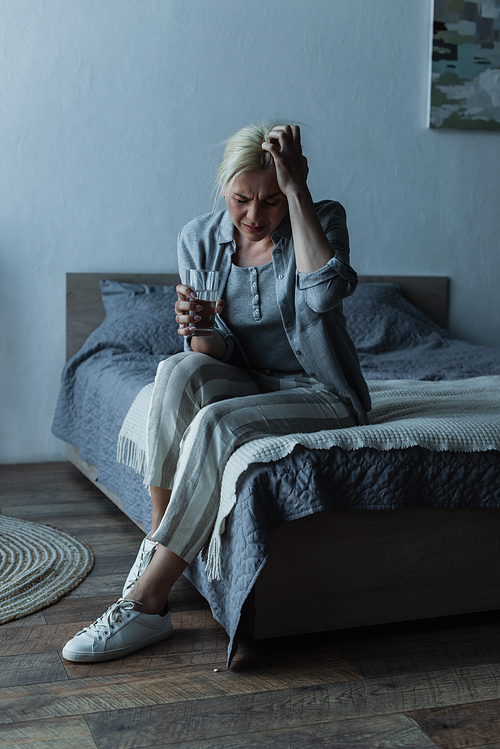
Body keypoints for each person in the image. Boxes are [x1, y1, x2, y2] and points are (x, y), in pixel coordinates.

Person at [62, 123, 371, 663]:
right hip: (249, 379)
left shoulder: (322, 218)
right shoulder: (198, 238)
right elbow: (210, 355)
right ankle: (159, 541)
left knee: (218, 425)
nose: (254, 215)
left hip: (322, 391)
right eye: (241, 199)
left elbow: (324, 296)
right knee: (174, 371)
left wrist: (297, 192)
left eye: (270, 200)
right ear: (223, 189)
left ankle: (149, 601)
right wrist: (198, 326)